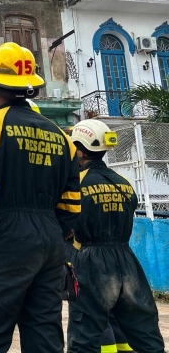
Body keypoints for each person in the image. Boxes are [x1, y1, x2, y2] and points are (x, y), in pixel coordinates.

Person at [0, 42, 80, 353]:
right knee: (45, 338)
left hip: (0, 243)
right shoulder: (63, 137)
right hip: (49, 245)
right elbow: (71, 206)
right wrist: (50, 235)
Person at [67, 119, 165, 353]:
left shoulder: (76, 184)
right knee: (143, 329)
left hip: (91, 260)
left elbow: (66, 221)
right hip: (127, 259)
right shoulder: (124, 183)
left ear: (79, 150)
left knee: (85, 332)